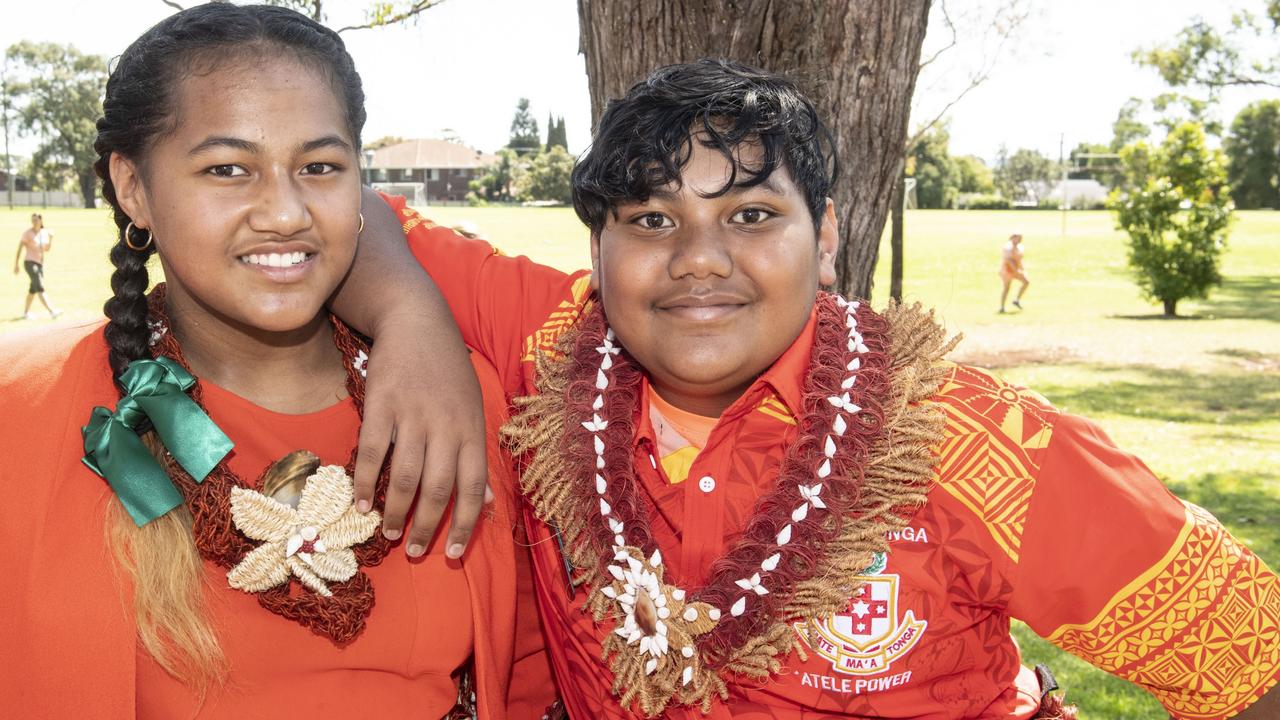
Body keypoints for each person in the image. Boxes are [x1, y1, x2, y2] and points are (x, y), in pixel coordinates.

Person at [352, 60, 1280, 719]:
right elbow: (345, 203)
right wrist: (414, 322)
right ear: (597, 247)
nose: (698, 260)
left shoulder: (959, 438)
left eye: (751, 215)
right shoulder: (554, 345)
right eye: (651, 218)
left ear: (828, 236)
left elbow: (1251, 663)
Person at [0, 5, 552, 718]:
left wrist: (412, 311)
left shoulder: (458, 395)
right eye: (228, 169)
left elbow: (530, 669)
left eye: (319, 166)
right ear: (133, 187)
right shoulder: (26, 414)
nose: (286, 212)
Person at [13, 212, 62, 319]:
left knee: (33, 289)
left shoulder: (43, 233)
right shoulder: (27, 233)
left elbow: (46, 249)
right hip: (30, 263)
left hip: (39, 264)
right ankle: (52, 311)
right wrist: (16, 264)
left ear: (41, 221)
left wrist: (51, 238)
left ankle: (25, 313)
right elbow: (20, 249)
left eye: (36, 220)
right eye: (33, 220)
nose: (34, 222)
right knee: (39, 287)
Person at [999, 233, 1029, 313]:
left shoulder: (1020, 247)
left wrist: (1021, 267)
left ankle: (1017, 300)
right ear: (1012, 238)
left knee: (1026, 282)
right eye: (1016, 238)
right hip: (1007, 269)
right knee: (1007, 288)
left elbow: (1019, 258)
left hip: (1017, 269)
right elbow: (1008, 260)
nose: (1018, 240)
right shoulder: (1007, 247)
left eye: (1019, 238)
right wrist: (1016, 271)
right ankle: (1002, 307)